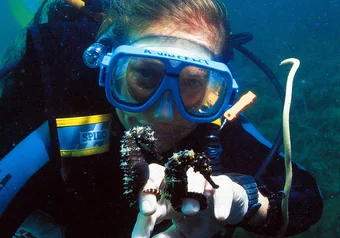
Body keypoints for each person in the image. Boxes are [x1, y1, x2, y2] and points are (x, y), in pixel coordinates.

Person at [0, 0, 323, 237]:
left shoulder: (210, 121)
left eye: (193, 82)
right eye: (145, 74)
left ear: (217, 90)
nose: (164, 112)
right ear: (109, 70)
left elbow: (305, 197)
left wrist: (246, 201)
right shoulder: (67, 103)